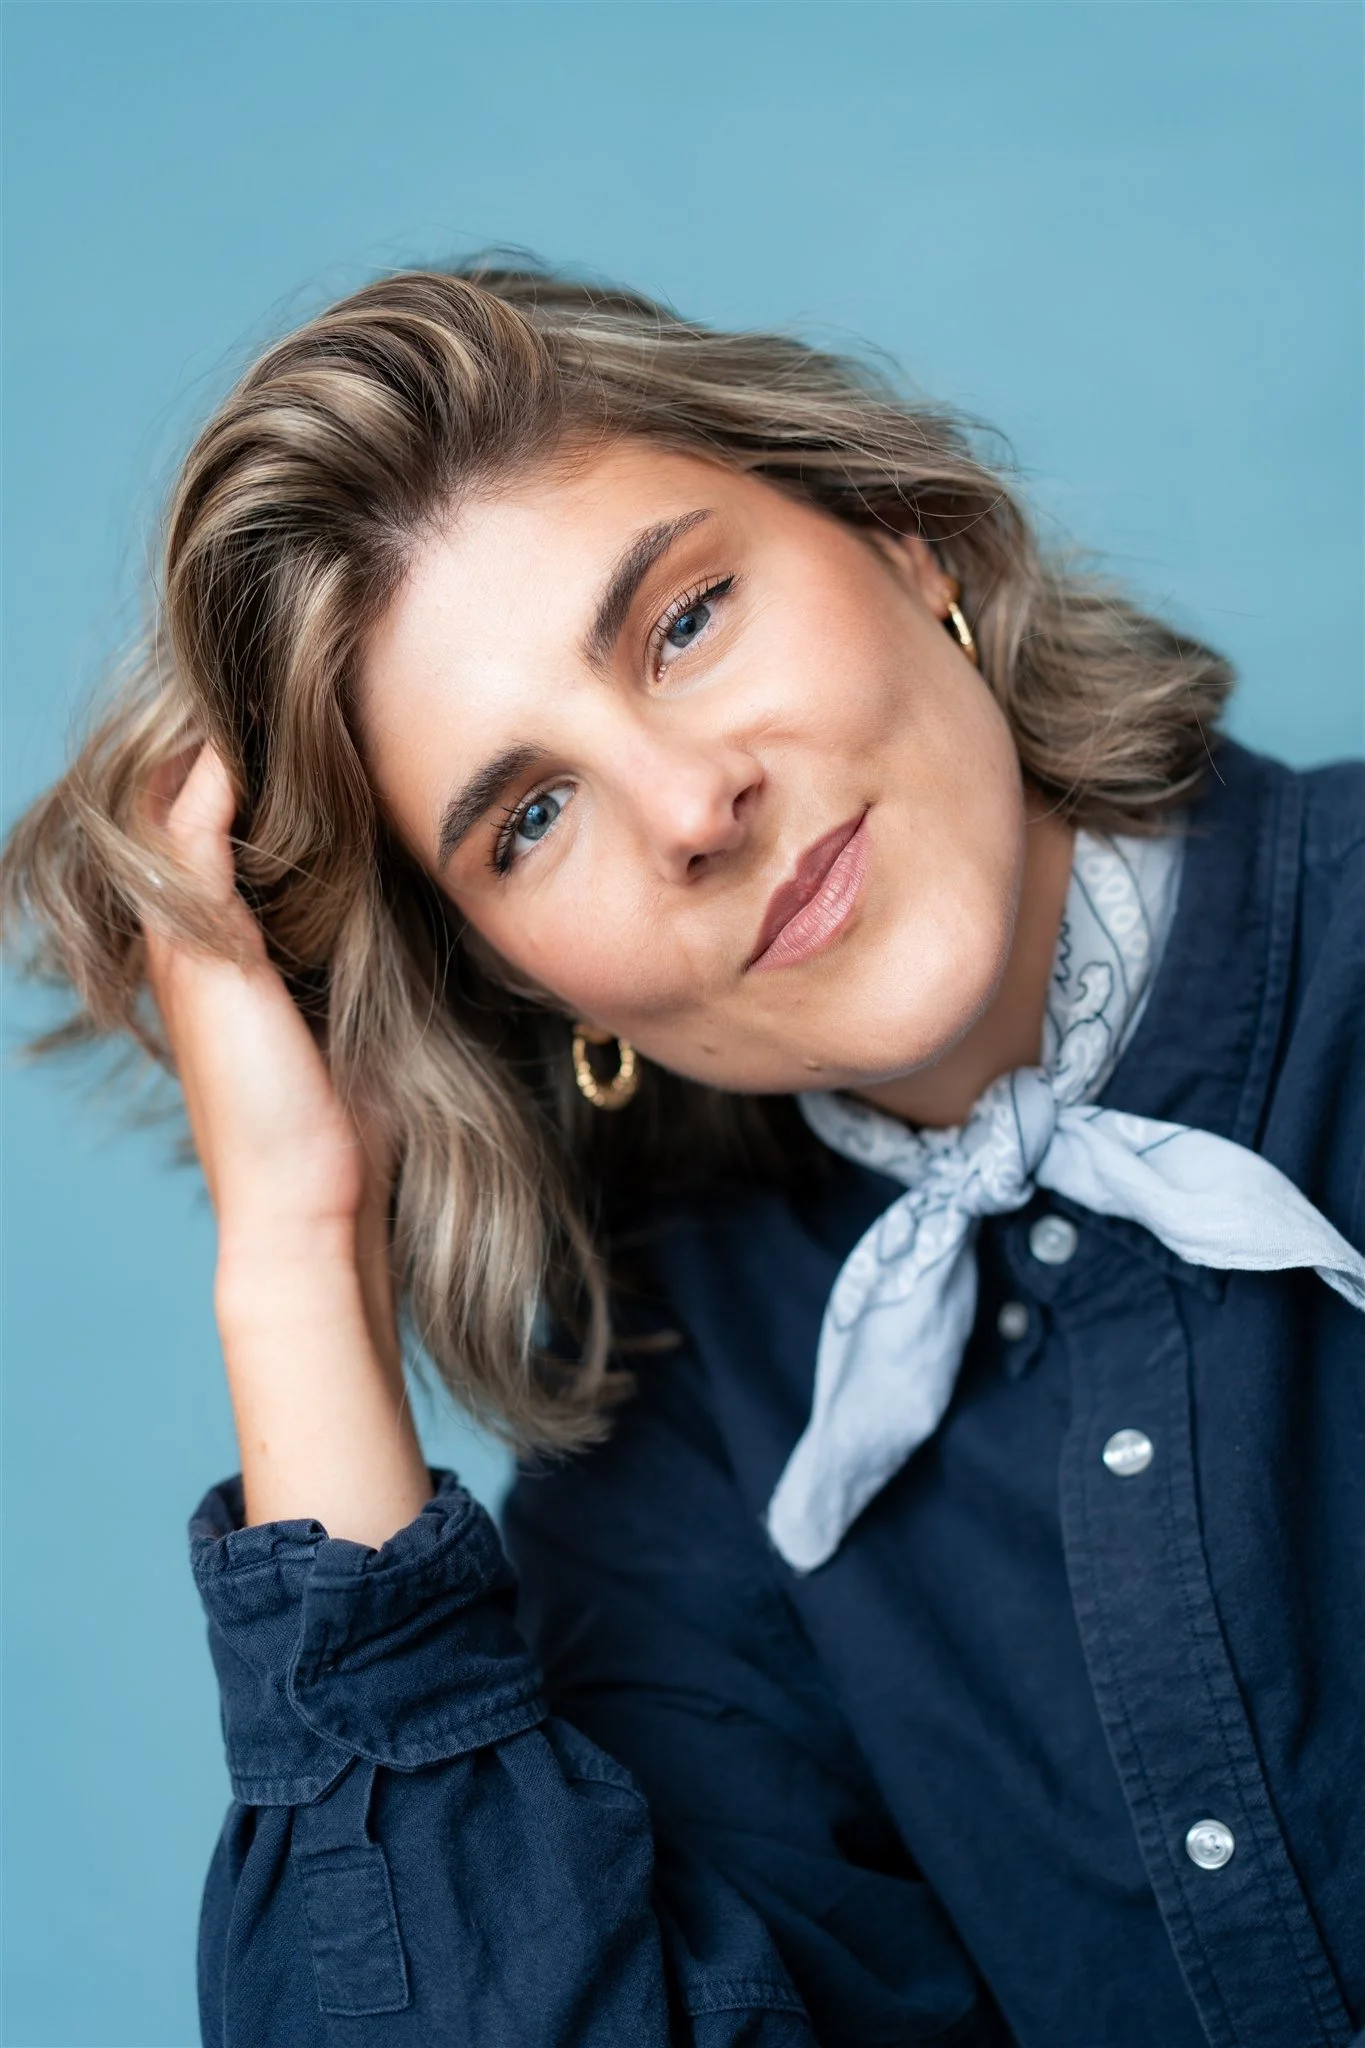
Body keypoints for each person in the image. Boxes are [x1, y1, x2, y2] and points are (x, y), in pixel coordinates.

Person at [3, 265, 1363, 2048]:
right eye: (533, 819)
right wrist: (292, 1249)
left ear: (903, 537)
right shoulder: (687, 1435)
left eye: (686, 618)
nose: (689, 807)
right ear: (513, 975)